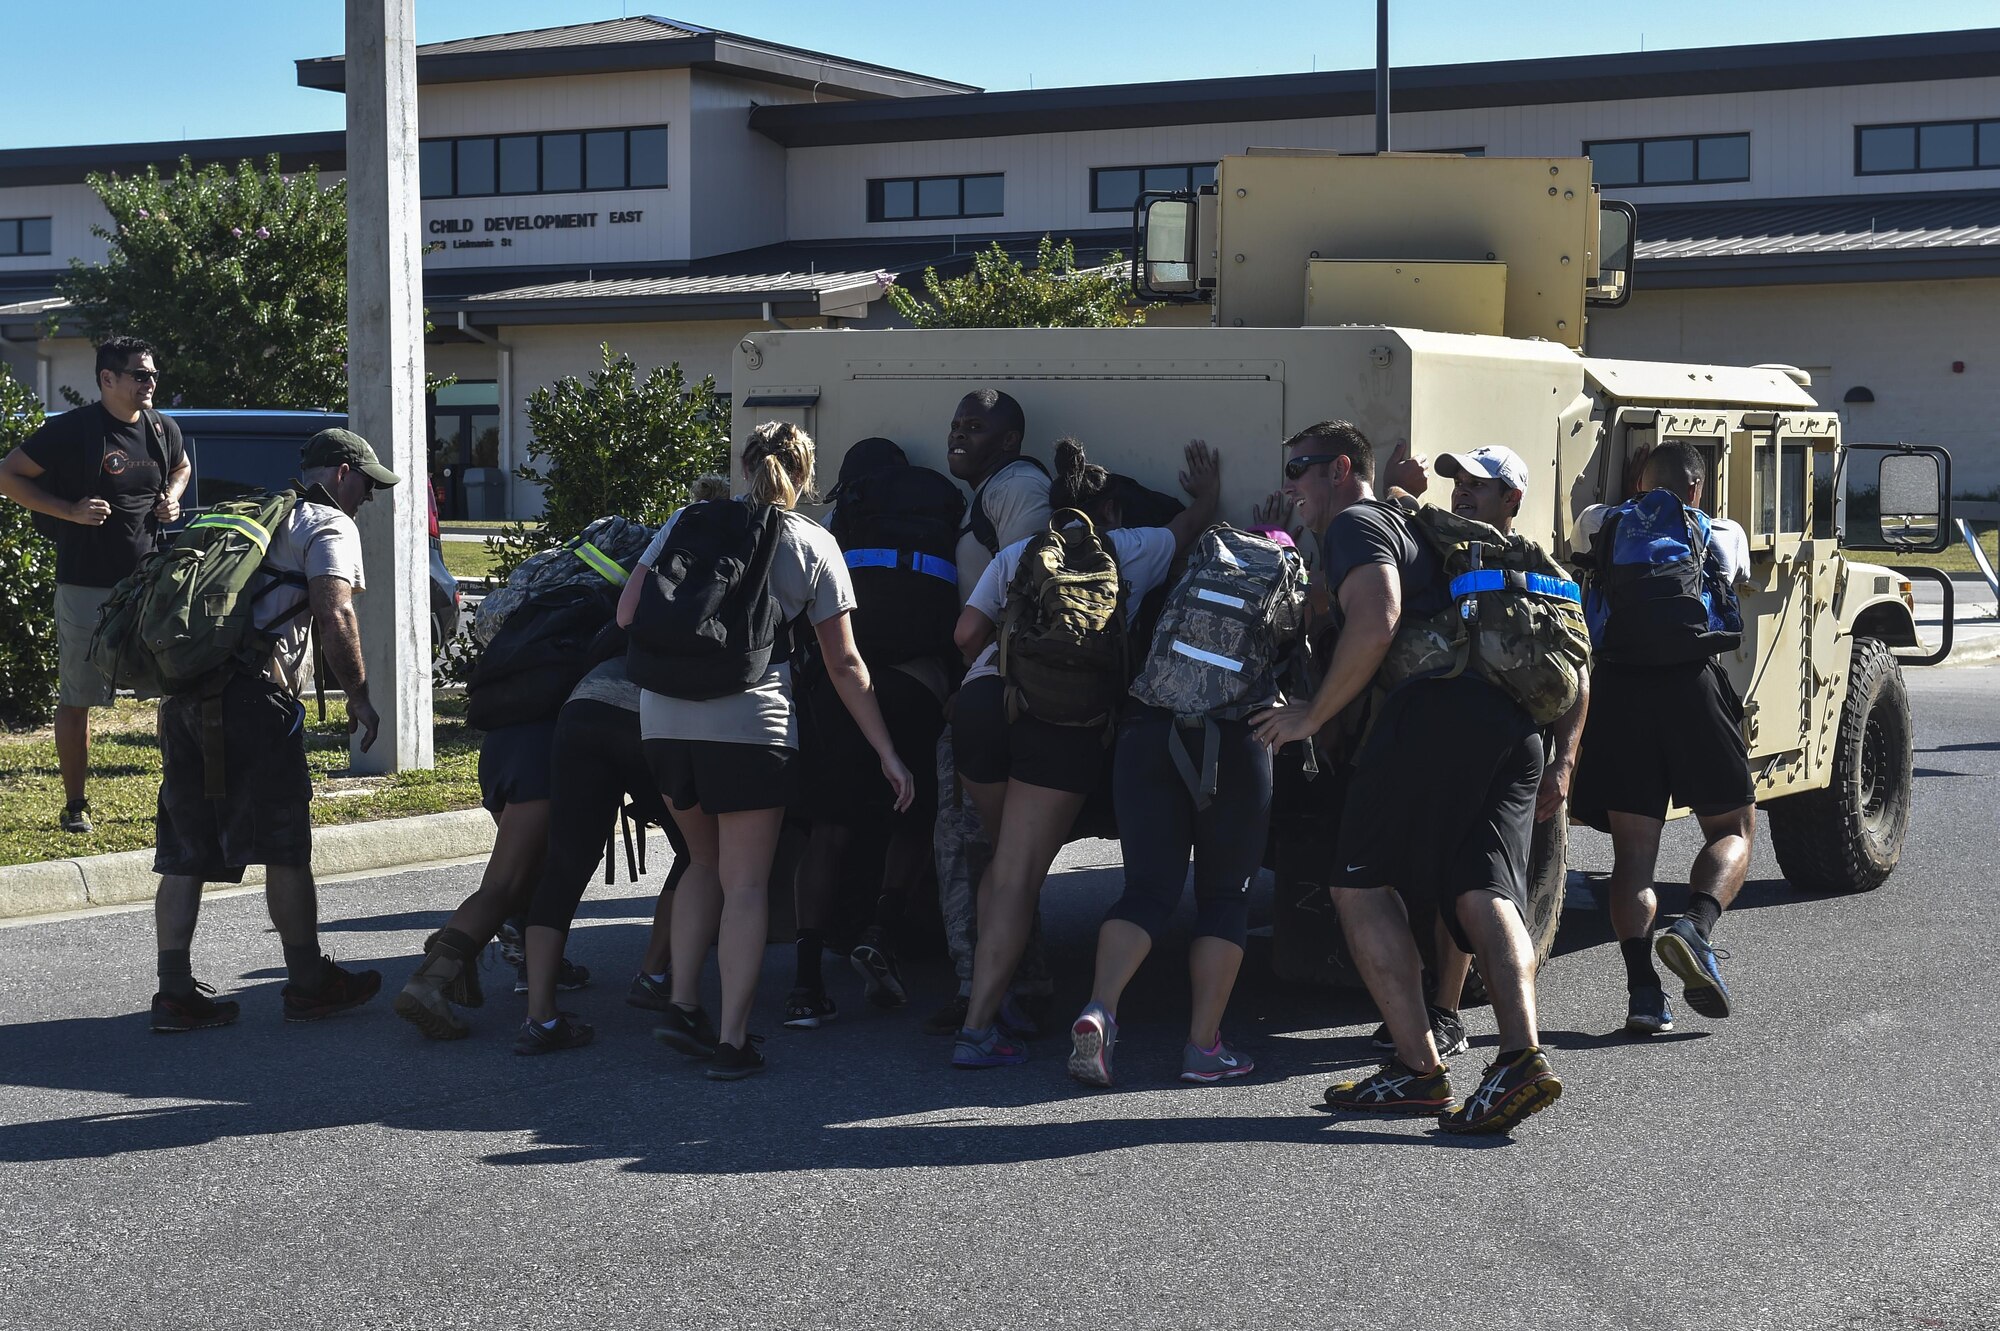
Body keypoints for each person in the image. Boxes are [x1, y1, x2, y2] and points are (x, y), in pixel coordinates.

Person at [1251, 421, 1568, 1133]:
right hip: (1510, 723)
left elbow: (1379, 619)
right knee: (1482, 888)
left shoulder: (1357, 521)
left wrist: (1311, 714)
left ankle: (1420, 1070)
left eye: (1299, 468)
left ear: (1339, 468)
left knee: (1357, 885)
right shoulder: (1415, 522)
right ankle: (1519, 1058)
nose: (1290, 485)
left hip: (1431, 717)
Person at [616, 422, 915, 1079]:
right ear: (805, 476)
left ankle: (684, 1002)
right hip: (750, 722)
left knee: (699, 861)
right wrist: (887, 752)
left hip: (662, 716)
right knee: (746, 884)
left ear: (742, 462)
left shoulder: (687, 519)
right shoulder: (813, 541)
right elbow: (846, 666)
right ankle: (730, 1041)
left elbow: (626, 613)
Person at [950, 437, 1219, 1069]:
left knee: (1002, 865)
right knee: (1018, 875)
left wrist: (1002, 666)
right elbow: (1187, 529)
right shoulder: (1130, 547)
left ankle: (997, 996)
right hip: (1063, 722)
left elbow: (965, 633)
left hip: (985, 706)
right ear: (1112, 509)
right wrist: (1205, 496)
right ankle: (977, 1028)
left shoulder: (1018, 552)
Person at [146, 428, 393, 1032]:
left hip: (185, 694)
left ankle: (174, 990)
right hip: (255, 696)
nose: (370, 497)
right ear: (339, 473)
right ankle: (308, 982)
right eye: (367, 483)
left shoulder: (246, 515)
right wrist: (358, 695)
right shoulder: (326, 524)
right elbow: (335, 611)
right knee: (284, 843)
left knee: (185, 847)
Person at [1360, 444, 1590, 1060]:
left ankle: (1445, 1016)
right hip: (1509, 742)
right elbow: (1577, 672)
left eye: (1479, 485)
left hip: (1471, 736)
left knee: (1463, 882)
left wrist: (1566, 764)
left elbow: (1578, 673)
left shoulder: (1452, 546)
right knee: (1467, 881)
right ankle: (1467, 1027)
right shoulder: (1550, 575)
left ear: (1512, 500)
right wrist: (1559, 760)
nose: (1462, 491)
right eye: (1458, 481)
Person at [1068, 515, 1295, 1089]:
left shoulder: (1198, 563)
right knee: (1225, 895)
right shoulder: (1288, 577)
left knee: (1146, 890)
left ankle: (1100, 1009)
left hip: (1149, 729)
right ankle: (1202, 1048)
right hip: (1237, 738)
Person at [1570, 440, 1755, 1035]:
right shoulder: (1721, 531)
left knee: (1634, 858)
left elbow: (1582, 557)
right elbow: (1736, 583)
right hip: (1690, 686)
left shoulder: (1600, 523)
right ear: (1697, 488)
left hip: (1619, 692)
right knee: (1732, 828)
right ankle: (1695, 927)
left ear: (1639, 486)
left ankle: (1644, 996)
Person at [786, 440, 958, 1029]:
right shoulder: (940, 518)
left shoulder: (839, 522)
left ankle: (806, 980)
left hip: (845, 694)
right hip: (917, 686)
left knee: (829, 831)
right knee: (911, 820)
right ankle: (883, 930)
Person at [0, 336, 189, 834]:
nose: (151, 383)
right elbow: (9, 475)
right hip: (85, 586)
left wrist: (170, 495)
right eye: (140, 375)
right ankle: (76, 804)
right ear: (108, 379)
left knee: (173, 689)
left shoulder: (161, 428)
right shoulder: (73, 430)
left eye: (153, 375)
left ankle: (177, 794)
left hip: (148, 585)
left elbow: (181, 466)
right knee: (79, 695)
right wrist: (68, 512)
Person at [926, 388, 1056, 1037]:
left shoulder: (1017, 487)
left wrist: (984, 675)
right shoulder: (990, 491)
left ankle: (1003, 985)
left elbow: (1033, 583)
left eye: (974, 428)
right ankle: (991, 981)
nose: (958, 437)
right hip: (988, 692)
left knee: (979, 847)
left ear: (1008, 440)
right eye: (955, 425)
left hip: (1001, 697)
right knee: (975, 847)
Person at [512, 648, 690, 1053]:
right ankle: (653, 974)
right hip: (653, 710)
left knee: (564, 866)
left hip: (584, 705)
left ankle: (540, 1017)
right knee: (697, 853)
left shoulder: (635, 598)